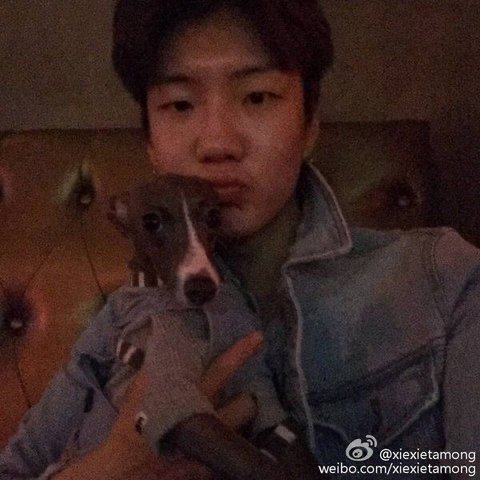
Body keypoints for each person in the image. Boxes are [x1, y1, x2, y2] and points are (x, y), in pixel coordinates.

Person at [1, 0, 479, 479]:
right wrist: (108, 470)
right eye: (180, 104)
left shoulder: (445, 281)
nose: (217, 143)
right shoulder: (119, 325)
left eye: (257, 97)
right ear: (151, 143)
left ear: (310, 125)